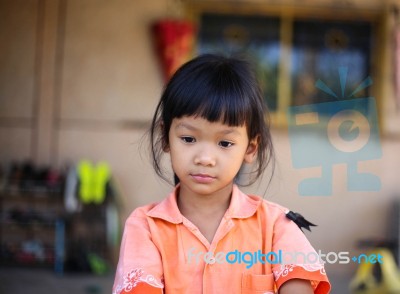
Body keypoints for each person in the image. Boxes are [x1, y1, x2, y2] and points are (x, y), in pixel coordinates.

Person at [112, 54, 331, 294]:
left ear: (250, 148)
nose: (205, 158)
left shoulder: (277, 225)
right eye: (188, 139)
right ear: (166, 138)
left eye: (225, 143)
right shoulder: (145, 228)